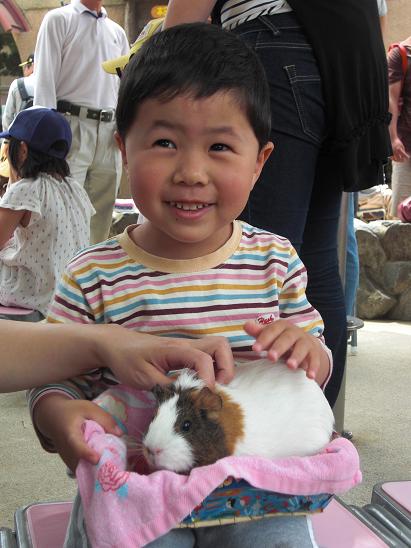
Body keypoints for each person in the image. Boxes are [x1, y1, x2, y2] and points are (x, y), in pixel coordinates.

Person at [30, 24, 332, 547]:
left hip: (252, 489)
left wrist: (308, 351)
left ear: (260, 161)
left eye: (219, 146)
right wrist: (57, 415)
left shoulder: (275, 260)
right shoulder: (90, 275)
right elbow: (50, 378)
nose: (191, 172)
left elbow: (313, 374)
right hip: (139, 486)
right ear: (124, 149)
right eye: (166, 142)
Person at [163, 0, 391, 408]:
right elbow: (381, 13)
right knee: (316, 258)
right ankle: (311, 424)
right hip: (350, 69)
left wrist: (157, 72)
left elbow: (185, 15)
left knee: (247, 256)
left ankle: (242, 432)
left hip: (272, 47)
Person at [33, 0, 129, 244]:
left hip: (109, 128)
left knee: (103, 211)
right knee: (61, 208)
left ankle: (91, 275)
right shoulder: (59, 19)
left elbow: (124, 85)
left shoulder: (116, 31)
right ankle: (62, 273)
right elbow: (44, 81)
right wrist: (47, 137)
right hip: (69, 125)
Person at [0, 107, 94, 316]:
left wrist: (12, 185)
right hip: (67, 300)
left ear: (22, 151)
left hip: (31, 300)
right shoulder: (74, 188)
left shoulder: (27, 189)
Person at [388, 36, 411, 217]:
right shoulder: (400, 54)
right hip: (407, 151)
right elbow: (391, 99)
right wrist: (393, 138)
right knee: (401, 219)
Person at [2, 53, 35, 131]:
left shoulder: (18, 84)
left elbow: (7, 117)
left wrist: (8, 140)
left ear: (32, 66)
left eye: (26, 66)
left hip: (21, 138)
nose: (24, 70)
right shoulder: (52, 85)